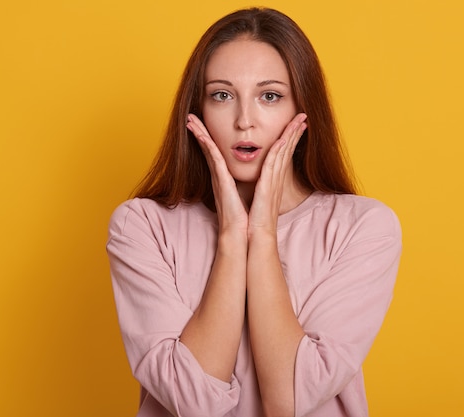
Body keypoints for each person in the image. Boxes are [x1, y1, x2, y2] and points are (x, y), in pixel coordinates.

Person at [106, 7, 401, 417]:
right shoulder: (141, 226)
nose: (245, 121)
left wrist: (261, 234)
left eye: (270, 96)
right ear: (198, 110)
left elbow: (291, 401)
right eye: (222, 95)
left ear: (304, 111)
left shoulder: (363, 227)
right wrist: (231, 239)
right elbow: (194, 405)